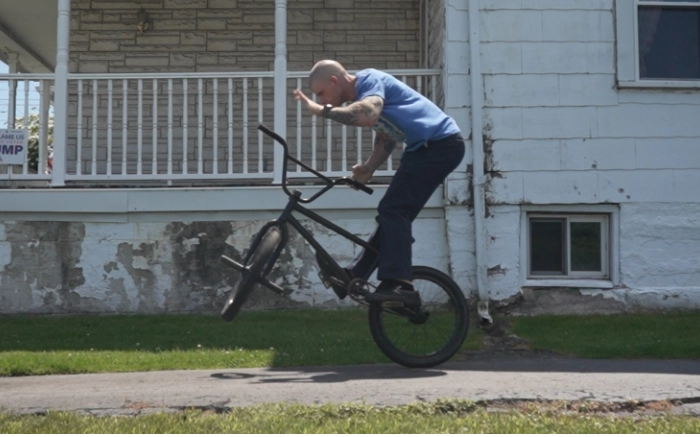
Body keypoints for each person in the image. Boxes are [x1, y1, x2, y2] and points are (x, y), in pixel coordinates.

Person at [293, 60, 465, 306]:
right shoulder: (366, 92)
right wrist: (369, 168)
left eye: (321, 94)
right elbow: (386, 135)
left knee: (394, 211)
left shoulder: (369, 80)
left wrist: (324, 112)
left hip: (440, 145)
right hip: (424, 149)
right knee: (391, 216)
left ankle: (400, 285)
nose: (321, 100)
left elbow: (368, 115)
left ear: (334, 80)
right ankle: (354, 276)